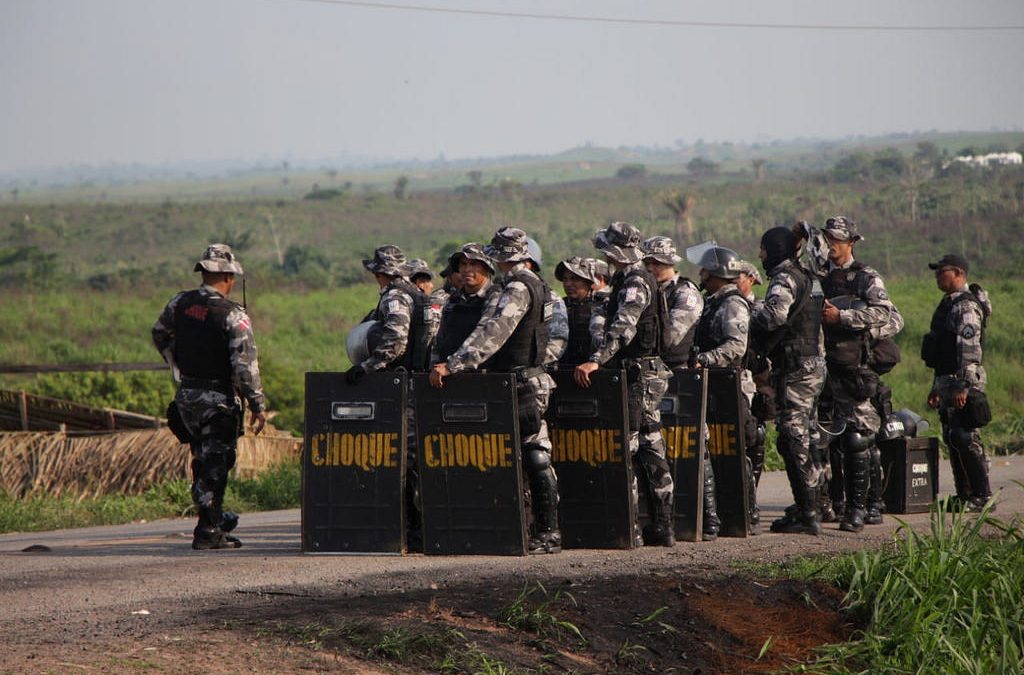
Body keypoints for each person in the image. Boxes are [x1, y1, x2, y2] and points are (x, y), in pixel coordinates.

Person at [430, 227, 562, 554]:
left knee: (533, 452)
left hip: (521, 381)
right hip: (524, 377)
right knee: (526, 452)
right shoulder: (536, 283)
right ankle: (531, 529)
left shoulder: (517, 287)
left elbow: (494, 331)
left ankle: (547, 532)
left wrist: (455, 364)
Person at [152, 244, 267, 550]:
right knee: (216, 463)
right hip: (217, 398)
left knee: (202, 459)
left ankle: (214, 519)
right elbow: (245, 366)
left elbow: (159, 333)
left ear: (203, 272)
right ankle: (208, 530)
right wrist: (257, 404)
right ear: (228, 277)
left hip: (187, 396)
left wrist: (176, 363)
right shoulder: (232, 316)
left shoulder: (180, 302)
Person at [575, 221, 675, 547]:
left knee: (633, 447)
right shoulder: (628, 279)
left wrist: (597, 359)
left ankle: (634, 526)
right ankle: (660, 526)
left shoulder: (634, 282)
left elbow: (624, 326)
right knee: (649, 447)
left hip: (639, 375)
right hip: (642, 372)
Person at [812, 217, 904, 532]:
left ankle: (859, 509)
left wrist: (844, 317)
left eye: (837, 238)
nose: (831, 244)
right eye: (827, 238)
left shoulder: (865, 277)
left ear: (851, 242)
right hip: (822, 369)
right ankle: (831, 503)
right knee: (827, 441)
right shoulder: (817, 274)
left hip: (854, 369)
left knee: (857, 439)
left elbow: (890, 317)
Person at [351, 245, 431, 549]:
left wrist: (370, 366)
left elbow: (397, 338)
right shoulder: (416, 293)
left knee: (407, 459)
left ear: (379, 272)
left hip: (403, 384)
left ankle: (414, 531)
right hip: (413, 380)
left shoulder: (396, 296)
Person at [750, 226, 826, 536]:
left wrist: (749, 309)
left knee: (792, 439)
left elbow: (774, 317)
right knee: (805, 437)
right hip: (812, 366)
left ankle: (808, 513)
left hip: (795, 370)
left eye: (764, 250)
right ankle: (810, 504)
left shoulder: (784, 278)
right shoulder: (808, 275)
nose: (760, 256)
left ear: (776, 250)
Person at [642, 236, 719, 538]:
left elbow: (672, 335)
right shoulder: (650, 290)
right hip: (653, 375)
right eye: (647, 262)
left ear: (668, 263)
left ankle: (709, 519)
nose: (650, 267)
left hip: (679, 374)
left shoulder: (686, 293)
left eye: (655, 263)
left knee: (696, 445)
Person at [691, 246, 755, 538]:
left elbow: (735, 347)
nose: (701, 274)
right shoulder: (712, 301)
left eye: (705, 270)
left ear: (716, 274)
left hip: (731, 385)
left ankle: (747, 516)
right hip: (713, 385)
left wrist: (704, 359)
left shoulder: (732, 304)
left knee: (734, 452)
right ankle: (715, 519)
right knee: (711, 451)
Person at [923, 254, 993, 512]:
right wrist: (937, 386)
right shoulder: (949, 303)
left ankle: (982, 495)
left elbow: (969, 349)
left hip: (962, 380)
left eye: (942, 272)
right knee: (952, 437)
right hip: (947, 380)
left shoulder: (965, 306)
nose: (937, 276)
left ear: (959, 274)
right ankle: (965, 495)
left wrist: (964, 386)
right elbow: (943, 350)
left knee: (966, 437)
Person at [431, 243, 497, 365]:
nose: (467, 270)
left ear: (486, 267)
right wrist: (434, 367)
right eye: (463, 264)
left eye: (473, 264)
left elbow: (484, 336)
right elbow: (440, 340)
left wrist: (452, 365)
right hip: (450, 375)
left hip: (484, 376)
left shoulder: (495, 298)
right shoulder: (453, 300)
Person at [554, 256, 599, 367]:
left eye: (574, 279)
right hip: (562, 371)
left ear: (588, 281)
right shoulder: (557, 307)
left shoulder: (603, 306)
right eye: (565, 279)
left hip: (593, 372)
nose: (568, 284)